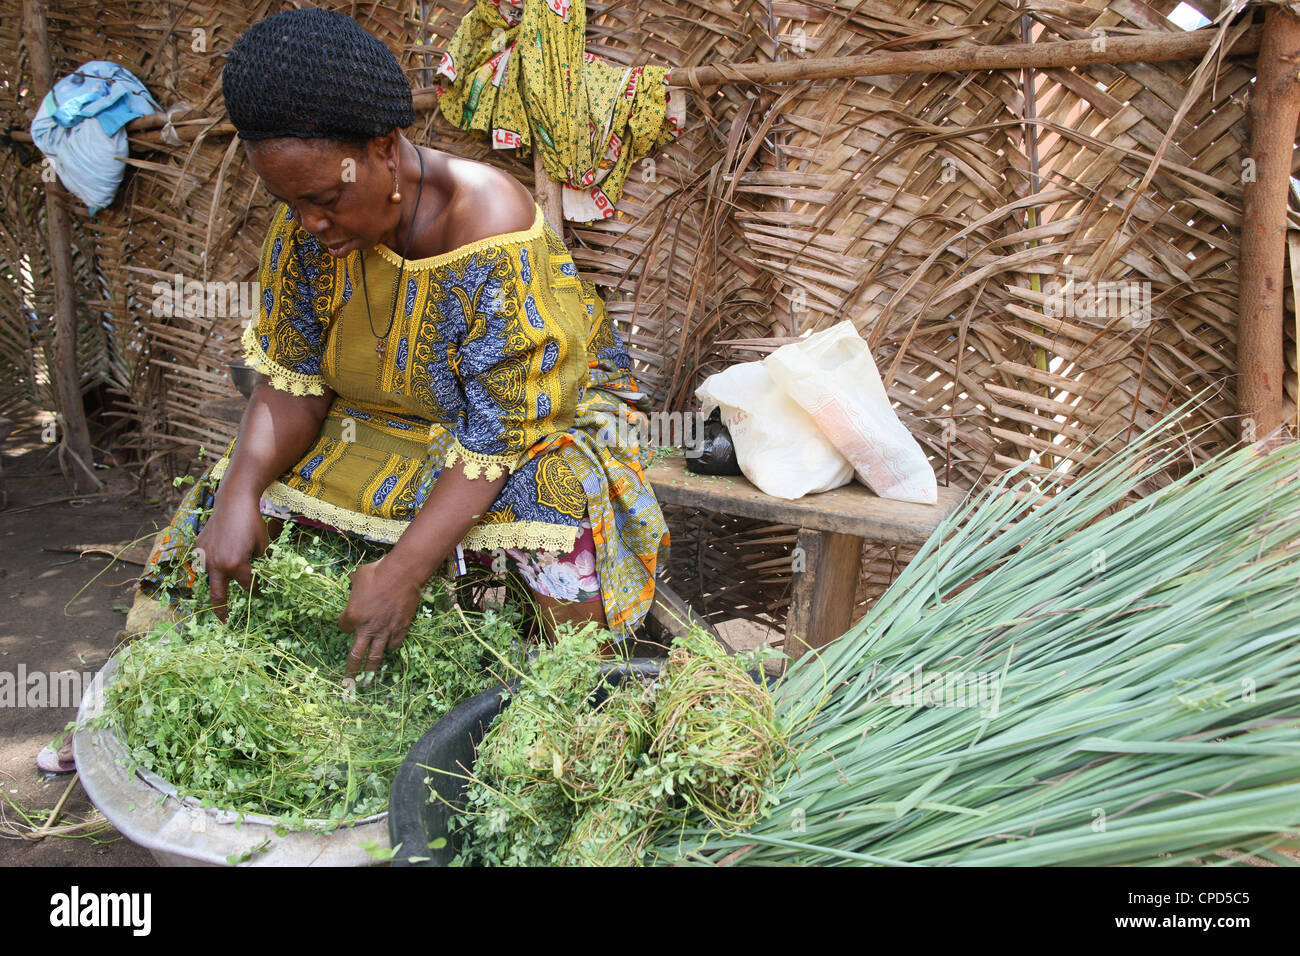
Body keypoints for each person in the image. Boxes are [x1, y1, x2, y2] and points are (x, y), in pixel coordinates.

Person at [138, 7, 668, 681]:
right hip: (386, 416)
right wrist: (240, 493)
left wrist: (404, 572)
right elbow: (294, 381)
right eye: (288, 201)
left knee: (550, 493)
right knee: (234, 494)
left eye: (326, 198)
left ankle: (570, 704)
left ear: (385, 150)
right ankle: (165, 678)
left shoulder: (489, 228)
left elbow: (501, 432)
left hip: (535, 419)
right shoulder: (307, 227)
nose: (310, 222)